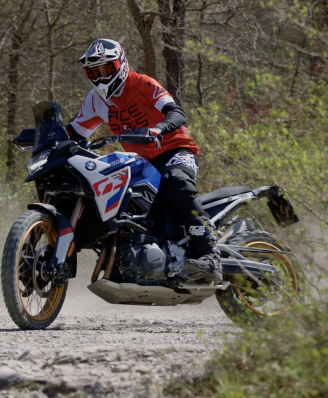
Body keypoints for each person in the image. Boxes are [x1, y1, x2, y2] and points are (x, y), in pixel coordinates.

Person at [66, 38, 221, 282]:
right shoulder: (95, 100)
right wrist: (46, 139)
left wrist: (159, 129)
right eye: (94, 71)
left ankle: (209, 252)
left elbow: (176, 113)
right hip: (141, 161)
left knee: (176, 182)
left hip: (175, 150)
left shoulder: (143, 84)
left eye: (105, 69)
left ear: (120, 65)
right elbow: (74, 134)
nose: (100, 76)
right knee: (120, 201)